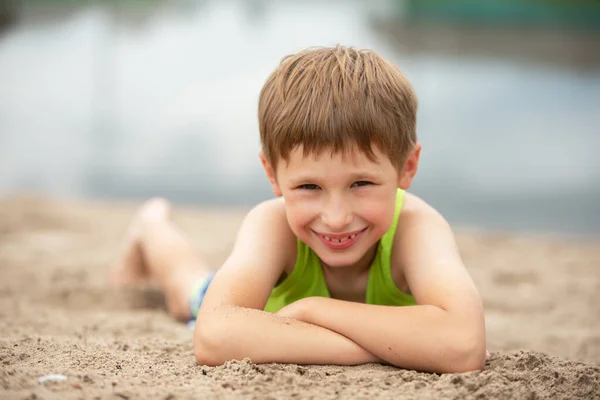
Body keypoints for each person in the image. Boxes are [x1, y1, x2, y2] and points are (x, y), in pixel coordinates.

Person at [110, 45, 487, 373]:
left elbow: (463, 344)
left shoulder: (416, 227)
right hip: (241, 302)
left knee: (184, 291)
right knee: (187, 289)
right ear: (273, 175)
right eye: (309, 187)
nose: (336, 216)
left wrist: (314, 311)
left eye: (362, 184)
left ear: (407, 167)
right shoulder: (271, 223)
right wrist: (391, 350)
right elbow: (213, 336)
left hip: (280, 327)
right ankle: (149, 225)